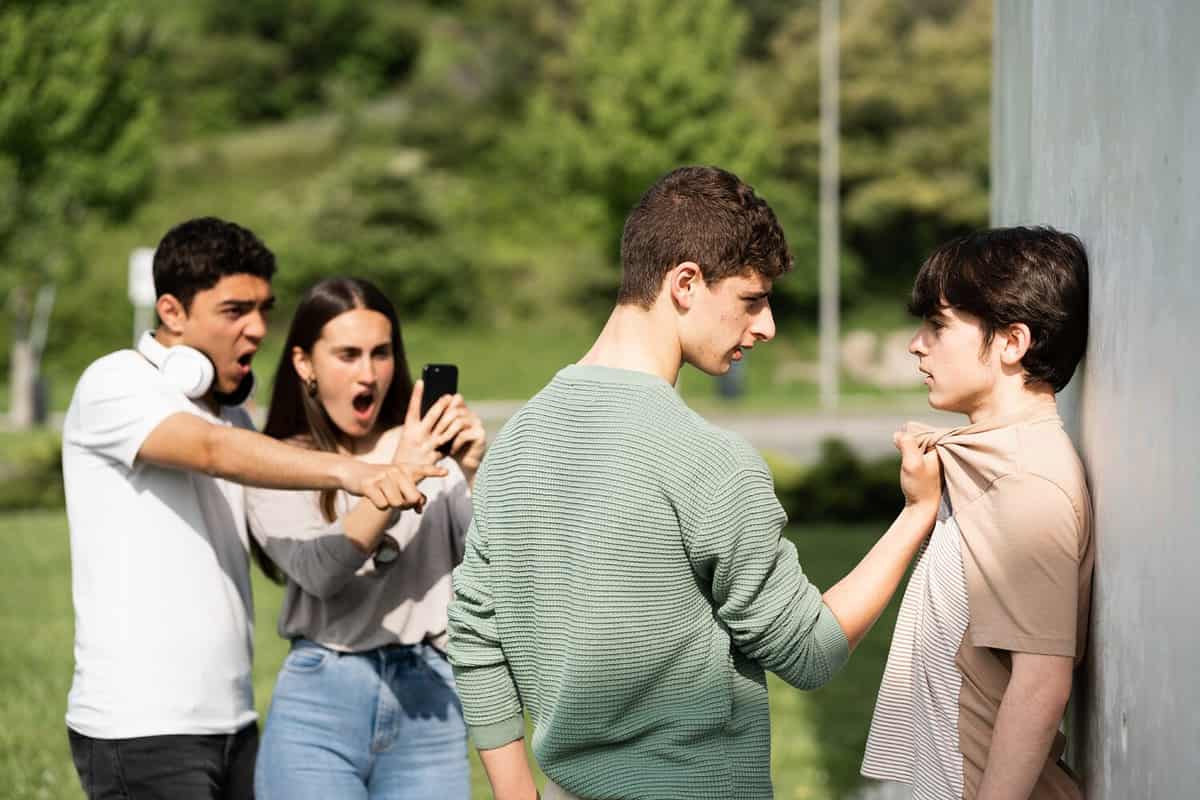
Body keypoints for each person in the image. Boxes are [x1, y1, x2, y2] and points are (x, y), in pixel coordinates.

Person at [447, 165, 943, 800]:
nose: (765, 326)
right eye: (752, 299)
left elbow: (474, 634)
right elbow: (812, 651)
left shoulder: (517, 439)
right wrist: (915, 514)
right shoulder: (710, 461)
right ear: (685, 283)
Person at [61, 219, 438, 800]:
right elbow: (212, 452)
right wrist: (355, 472)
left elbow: (295, 542)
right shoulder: (115, 384)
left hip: (233, 723)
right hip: (141, 729)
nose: (257, 329)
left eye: (264, 308)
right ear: (171, 311)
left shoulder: (230, 415)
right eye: (235, 310)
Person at [861, 226, 1094, 799]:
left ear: (1012, 343)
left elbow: (1040, 684)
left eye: (938, 326)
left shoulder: (1025, 480)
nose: (917, 344)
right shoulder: (990, 460)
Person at [245, 277, 486, 800]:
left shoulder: (427, 446)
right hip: (321, 696)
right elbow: (321, 574)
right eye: (348, 355)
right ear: (305, 364)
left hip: (429, 694)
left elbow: (492, 569)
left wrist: (473, 474)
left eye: (381, 354)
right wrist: (395, 479)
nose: (369, 373)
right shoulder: (280, 463)